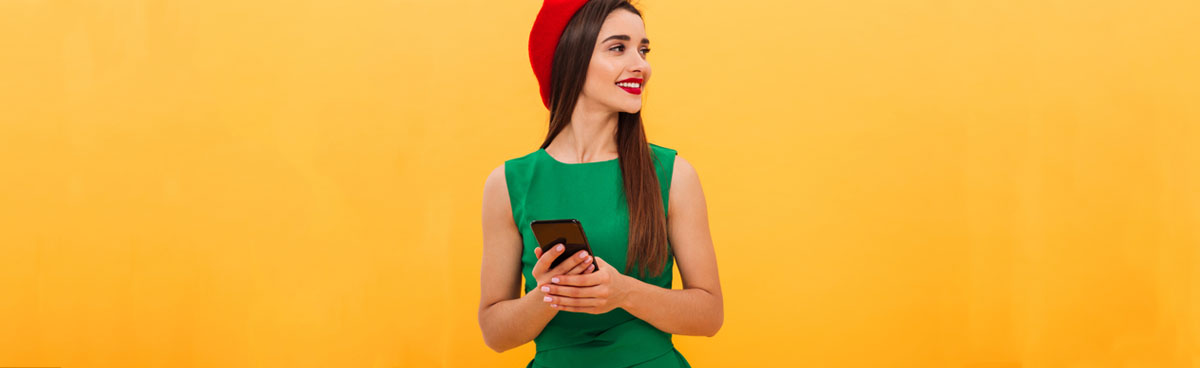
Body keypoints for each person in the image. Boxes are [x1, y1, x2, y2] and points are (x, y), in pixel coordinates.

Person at [479, 0, 723, 366]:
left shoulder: (673, 174)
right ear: (571, 58)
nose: (641, 65)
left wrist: (623, 292)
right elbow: (496, 334)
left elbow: (709, 314)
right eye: (618, 48)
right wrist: (551, 291)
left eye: (643, 50)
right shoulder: (508, 183)